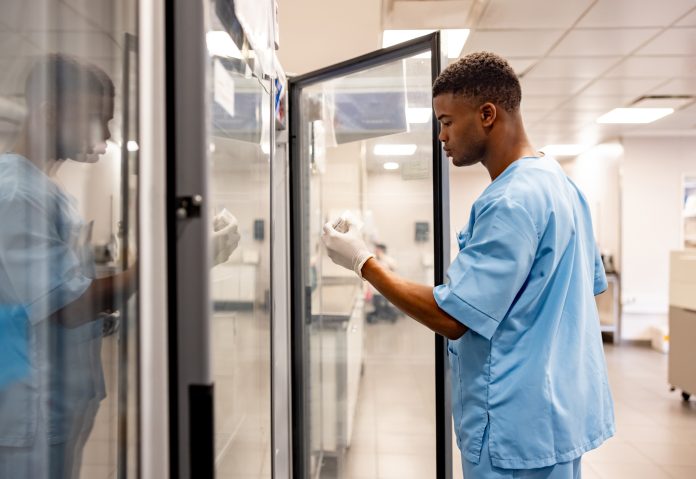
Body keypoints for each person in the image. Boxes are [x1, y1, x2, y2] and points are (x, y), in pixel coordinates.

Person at [322, 51, 614, 479]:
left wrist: (362, 261)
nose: (440, 136)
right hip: (559, 417)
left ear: (487, 114)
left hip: (514, 427)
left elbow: (452, 316)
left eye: (445, 121)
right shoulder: (562, 185)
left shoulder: (510, 202)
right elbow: (580, 290)